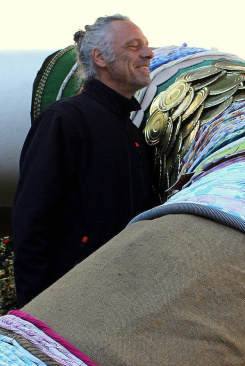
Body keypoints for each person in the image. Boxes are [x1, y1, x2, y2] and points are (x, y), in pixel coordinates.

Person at [11, 14, 159, 308]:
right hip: (68, 306)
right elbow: (31, 219)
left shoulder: (131, 131)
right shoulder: (64, 120)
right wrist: (36, 308)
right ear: (100, 58)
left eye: (146, 45)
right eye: (133, 46)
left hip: (121, 302)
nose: (148, 53)